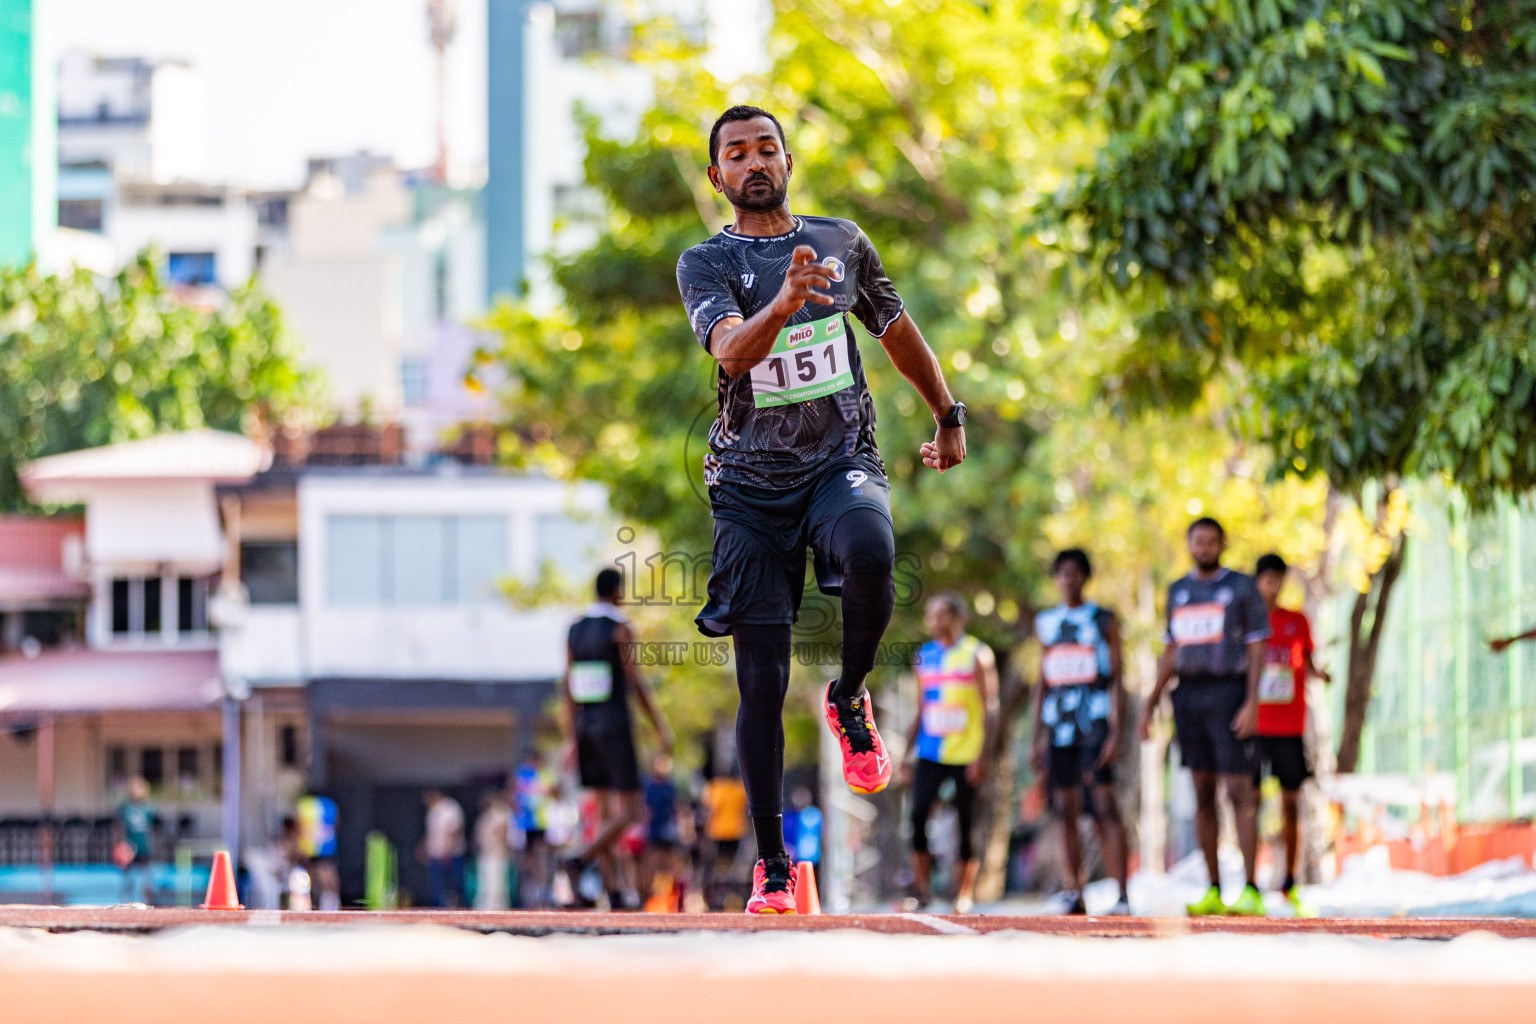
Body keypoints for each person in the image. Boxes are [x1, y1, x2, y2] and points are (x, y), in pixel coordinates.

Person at [676, 105, 967, 914]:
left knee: (873, 549)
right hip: (748, 491)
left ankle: (849, 695)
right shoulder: (705, 262)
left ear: (788, 159)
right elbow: (733, 351)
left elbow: (898, 330)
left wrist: (948, 415)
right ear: (718, 177)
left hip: (842, 459)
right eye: (736, 153)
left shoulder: (843, 241)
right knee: (760, 681)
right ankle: (773, 865)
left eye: (766, 146)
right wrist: (783, 303)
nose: (754, 160)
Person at [1139, 518, 1271, 917]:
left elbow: (1257, 648)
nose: (1205, 548)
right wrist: (1150, 702)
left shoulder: (1243, 588)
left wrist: (1252, 702)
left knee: (1239, 792)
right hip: (1188, 698)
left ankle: (1250, 889)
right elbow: (1170, 652)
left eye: (1212, 542)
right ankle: (1212, 888)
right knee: (1202, 792)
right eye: (1198, 541)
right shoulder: (1178, 591)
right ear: (1189, 544)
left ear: (1223, 544)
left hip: (1229, 693)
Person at [561, 567, 674, 910]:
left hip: (585, 726)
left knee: (604, 812)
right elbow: (634, 680)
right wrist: (659, 725)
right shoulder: (620, 626)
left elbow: (568, 685)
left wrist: (571, 737)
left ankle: (612, 891)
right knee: (632, 809)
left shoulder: (574, 629)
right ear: (617, 591)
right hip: (614, 724)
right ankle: (580, 859)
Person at [1030, 549, 1130, 916]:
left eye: (1075, 573)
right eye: (1062, 574)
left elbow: (1118, 676)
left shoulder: (1103, 619)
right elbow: (1041, 682)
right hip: (1058, 728)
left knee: (1103, 805)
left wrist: (1117, 732)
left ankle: (1121, 893)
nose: (1068, 580)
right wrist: (1034, 736)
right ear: (1056, 579)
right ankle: (1075, 890)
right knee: (1064, 808)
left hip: (1096, 723)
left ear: (1086, 577)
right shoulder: (1046, 623)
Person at [900, 592, 998, 914]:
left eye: (941, 615)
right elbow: (921, 707)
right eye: (930, 615)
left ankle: (963, 893)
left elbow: (990, 708)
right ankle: (921, 890)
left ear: (957, 618)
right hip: (930, 749)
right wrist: (904, 753)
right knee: (917, 815)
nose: (934, 622)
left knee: (965, 821)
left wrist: (982, 755)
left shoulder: (976, 654)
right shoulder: (924, 656)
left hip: (966, 751)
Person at [1253, 553, 1330, 915]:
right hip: (1254, 727)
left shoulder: (1296, 621)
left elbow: (1309, 664)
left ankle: (1289, 882)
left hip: (1289, 727)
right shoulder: (1246, 624)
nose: (1272, 585)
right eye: (1266, 579)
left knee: (1289, 802)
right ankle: (1251, 885)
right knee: (1249, 803)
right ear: (1257, 582)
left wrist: (1319, 674)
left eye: (1277, 579)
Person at [701, 766, 749, 909]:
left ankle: (719, 897)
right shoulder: (739, 788)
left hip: (718, 833)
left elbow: (710, 811)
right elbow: (745, 808)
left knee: (718, 868)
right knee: (734, 867)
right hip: (736, 832)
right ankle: (732, 897)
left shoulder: (714, 788)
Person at [641, 753, 682, 906]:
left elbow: (674, 807)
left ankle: (670, 899)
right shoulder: (648, 784)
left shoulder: (669, 785)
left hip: (667, 829)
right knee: (652, 863)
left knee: (669, 865)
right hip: (653, 829)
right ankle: (647, 897)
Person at [512, 757, 554, 907]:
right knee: (526, 860)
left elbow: (551, 791)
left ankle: (543, 892)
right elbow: (516, 795)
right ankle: (529, 892)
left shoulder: (545, 774)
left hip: (541, 824)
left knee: (542, 858)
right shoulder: (523, 774)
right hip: (525, 825)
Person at [114, 776, 155, 905]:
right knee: (131, 877)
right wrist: (120, 845)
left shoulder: (145, 809)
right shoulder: (128, 809)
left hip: (139, 846)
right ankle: (128, 901)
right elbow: (119, 829)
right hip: (131, 847)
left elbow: (151, 829)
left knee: (143, 877)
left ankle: (144, 901)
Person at [421, 789, 465, 908]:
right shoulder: (432, 811)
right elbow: (432, 833)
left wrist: (448, 851)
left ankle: (457, 907)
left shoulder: (450, 808)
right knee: (437, 886)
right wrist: (423, 848)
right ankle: (438, 908)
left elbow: (453, 831)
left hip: (452, 854)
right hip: (436, 854)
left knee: (454, 884)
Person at [474, 791, 514, 911]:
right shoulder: (487, 814)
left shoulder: (501, 812)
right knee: (485, 883)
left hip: (497, 852)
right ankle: (485, 906)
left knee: (497, 883)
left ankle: (498, 908)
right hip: (486, 852)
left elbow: (503, 831)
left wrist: (503, 847)